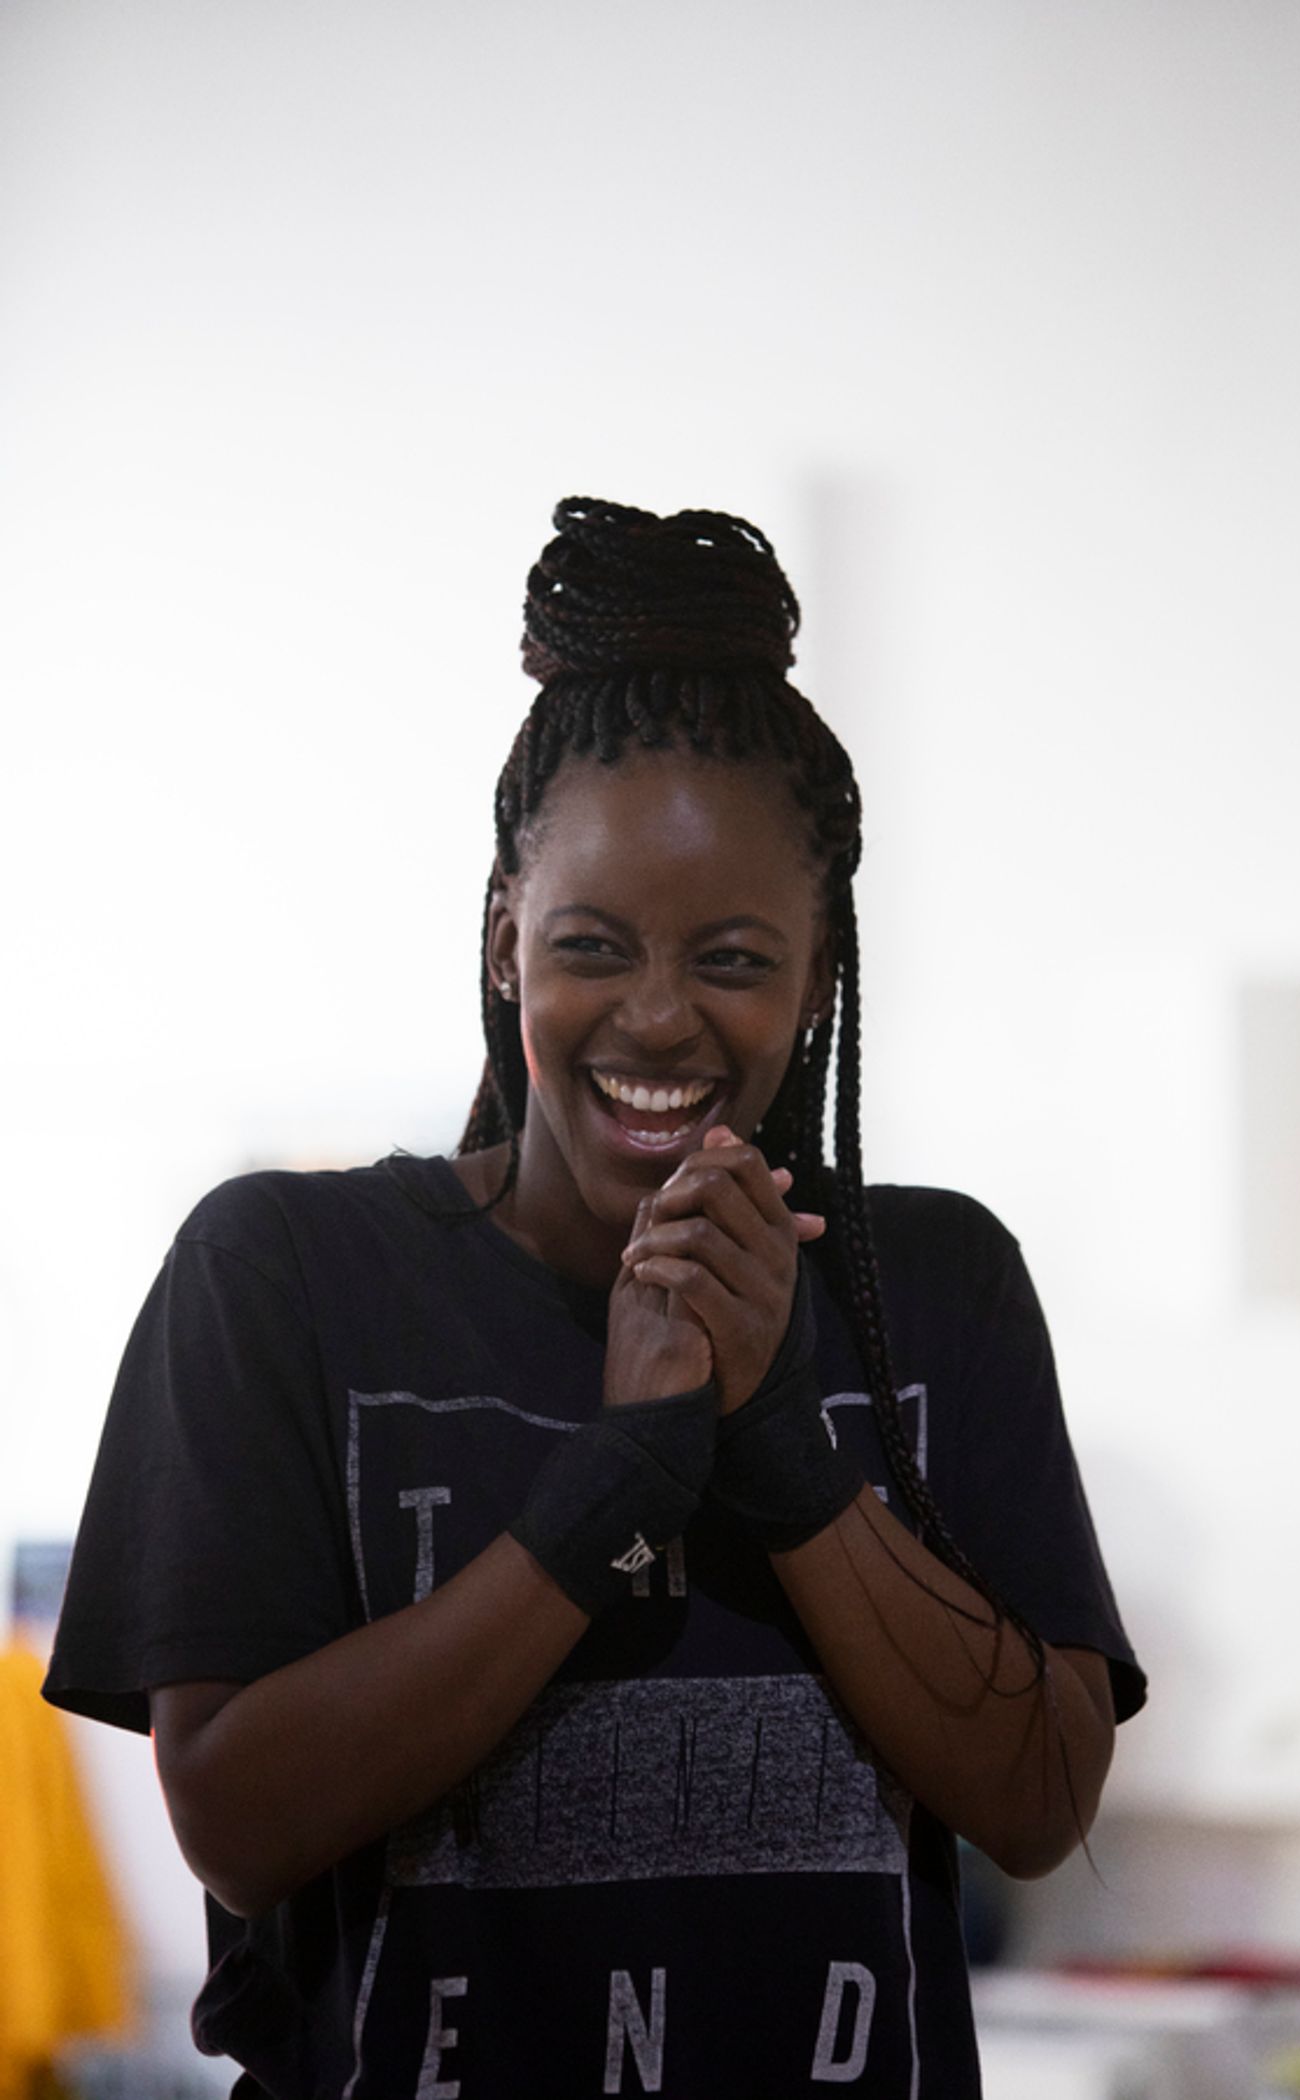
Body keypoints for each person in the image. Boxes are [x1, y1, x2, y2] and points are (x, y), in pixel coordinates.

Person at [45, 495, 1146, 2099]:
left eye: (733, 959)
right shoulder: (284, 1274)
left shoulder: (937, 1287)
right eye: (590, 944)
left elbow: (1042, 1801)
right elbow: (235, 1822)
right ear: (505, 942)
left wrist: (776, 1433)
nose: (656, 1018)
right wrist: (616, 1485)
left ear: (818, 971)